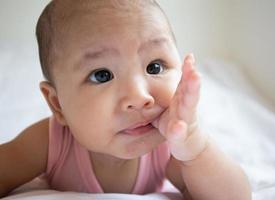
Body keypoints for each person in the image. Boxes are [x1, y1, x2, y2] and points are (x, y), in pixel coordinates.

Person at [0, 0, 252, 199]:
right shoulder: (50, 142)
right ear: (57, 104)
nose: (140, 97)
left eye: (154, 67)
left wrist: (195, 147)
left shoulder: (169, 144)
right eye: (102, 75)